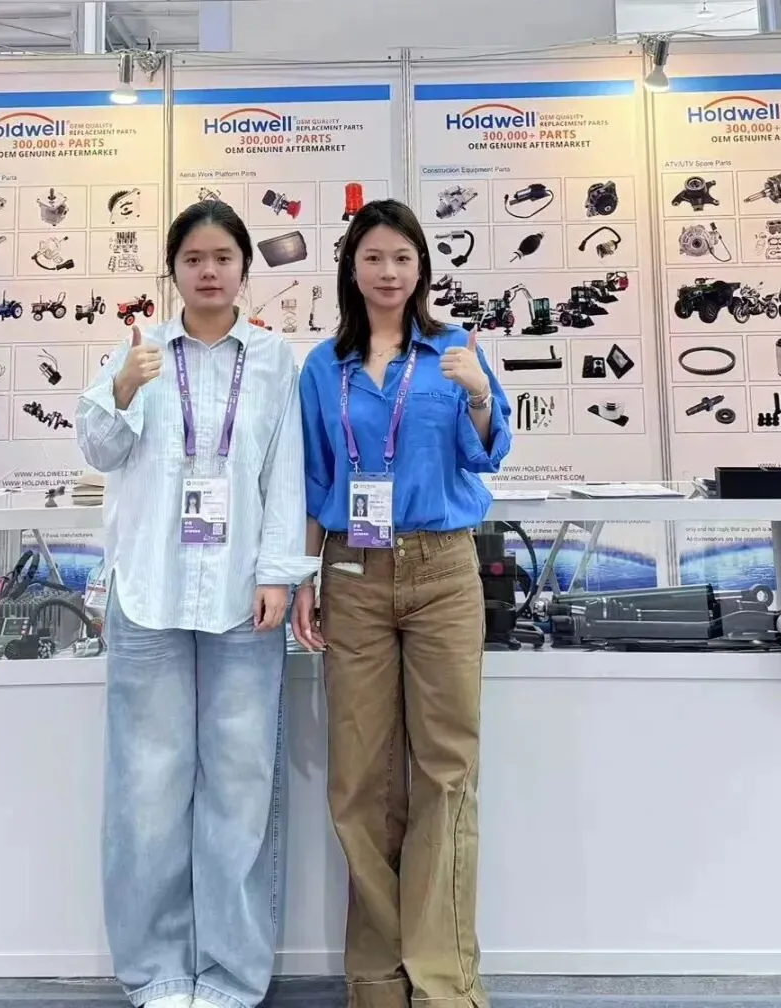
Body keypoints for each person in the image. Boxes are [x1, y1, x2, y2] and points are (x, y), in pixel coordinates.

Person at [77, 200, 317, 1008]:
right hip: (151, 590)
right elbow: (100, 450)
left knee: (240, 786)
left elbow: (286, 474)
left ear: (244, 267)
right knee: (147, 787)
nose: (208, 271)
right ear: (174, 270)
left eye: (222, 257)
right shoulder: (139, 352)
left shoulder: (276, 360)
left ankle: (230, 973)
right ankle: (157, 970)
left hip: (245, 598)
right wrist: (121, 387)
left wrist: (281, 574)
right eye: (193, 259)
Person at [292, 199, 511, 1008]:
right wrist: (306, 577)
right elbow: (316, 481)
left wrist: (479, 396)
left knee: (445, 772)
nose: (389, 272)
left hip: (443, 571)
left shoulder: (455, 352)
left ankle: (444, 979)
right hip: (352, 573)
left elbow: (485, 454)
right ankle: (380, 979)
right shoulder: (324, 368)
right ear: (352, 269)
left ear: (422, 269)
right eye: (374, 258)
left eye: (403, 258)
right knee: (360, 781)